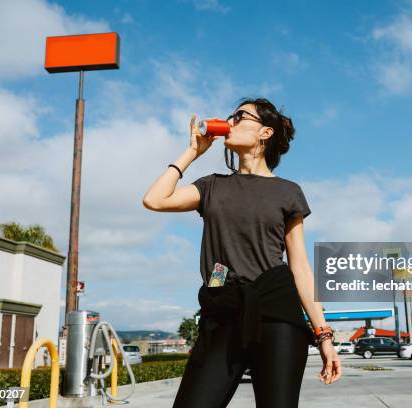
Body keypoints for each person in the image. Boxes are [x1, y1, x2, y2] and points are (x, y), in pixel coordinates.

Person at [143, 97, 341, 407]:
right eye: (230, 117)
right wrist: (192, 153)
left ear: (265, 132)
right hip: (223, 308)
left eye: (240, 116)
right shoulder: (211, 186)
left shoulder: (288, 192)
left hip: (277, 312)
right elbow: (154, 200)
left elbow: (300, 266)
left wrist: (324, 336)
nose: (229, 122)